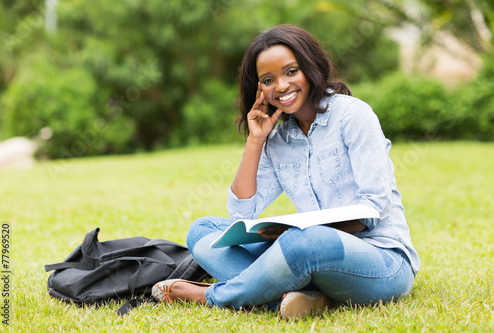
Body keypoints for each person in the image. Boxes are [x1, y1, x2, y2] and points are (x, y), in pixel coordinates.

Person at [152, 24, 420, 319]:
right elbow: (241, 215)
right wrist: (256, 141)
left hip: (381, 260)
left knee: (302, 242)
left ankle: (214, 295)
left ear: (310, 67)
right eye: (268, 79)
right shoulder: (278, 140)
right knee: (202, 231)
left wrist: (301, 237)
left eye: (291, 72)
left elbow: (373, 209)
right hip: (305, 254)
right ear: (260, 89)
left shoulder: (353, 115)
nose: (281, 86)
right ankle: (305, 298)